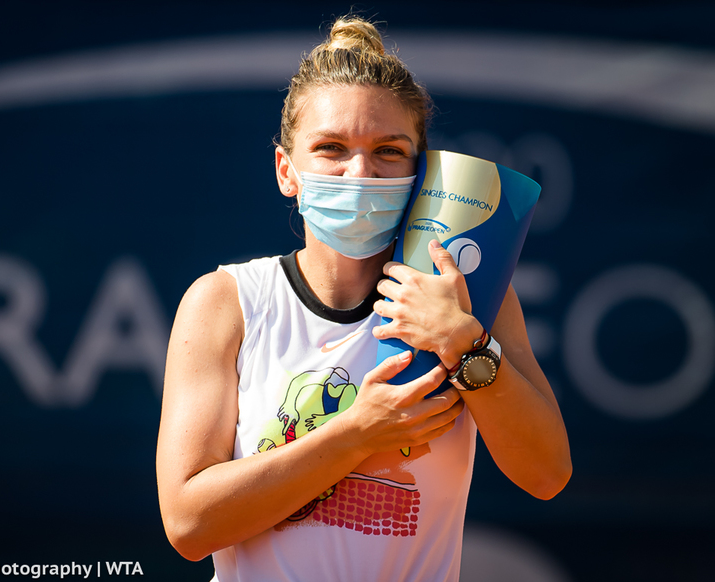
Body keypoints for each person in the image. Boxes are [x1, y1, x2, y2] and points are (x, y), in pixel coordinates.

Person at [156, 15, 571, 582]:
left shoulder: (469, 301)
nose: (360, 173)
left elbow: (546, 475)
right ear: (287, 170)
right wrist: (357, 433)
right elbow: (188, 526)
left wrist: (465, 344)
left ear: (420, 170)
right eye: (330, 148)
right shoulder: (226, 302)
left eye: (388, 151)